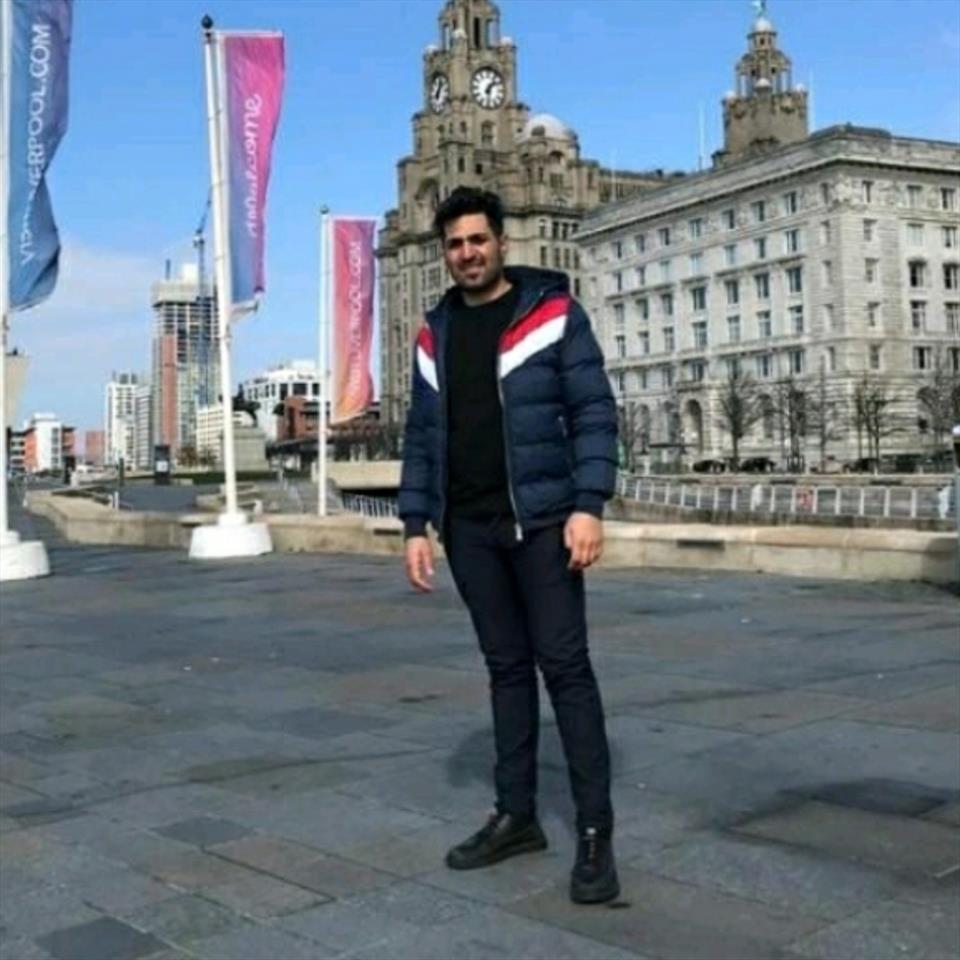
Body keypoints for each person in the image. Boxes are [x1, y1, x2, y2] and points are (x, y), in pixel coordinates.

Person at [398, 186, 620, 905]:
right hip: (469, 529)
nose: (468, 253)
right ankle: (516, 815)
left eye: (478, 239)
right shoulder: (434, 334)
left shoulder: (552, 313)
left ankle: (595, 834)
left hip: (544, 523)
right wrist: (414, 523)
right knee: (505, 671)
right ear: (445, 253)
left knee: (566, 669)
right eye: (455, 244)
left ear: (500, 242)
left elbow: (594, 411)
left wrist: (588, 505)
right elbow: (421, 435)